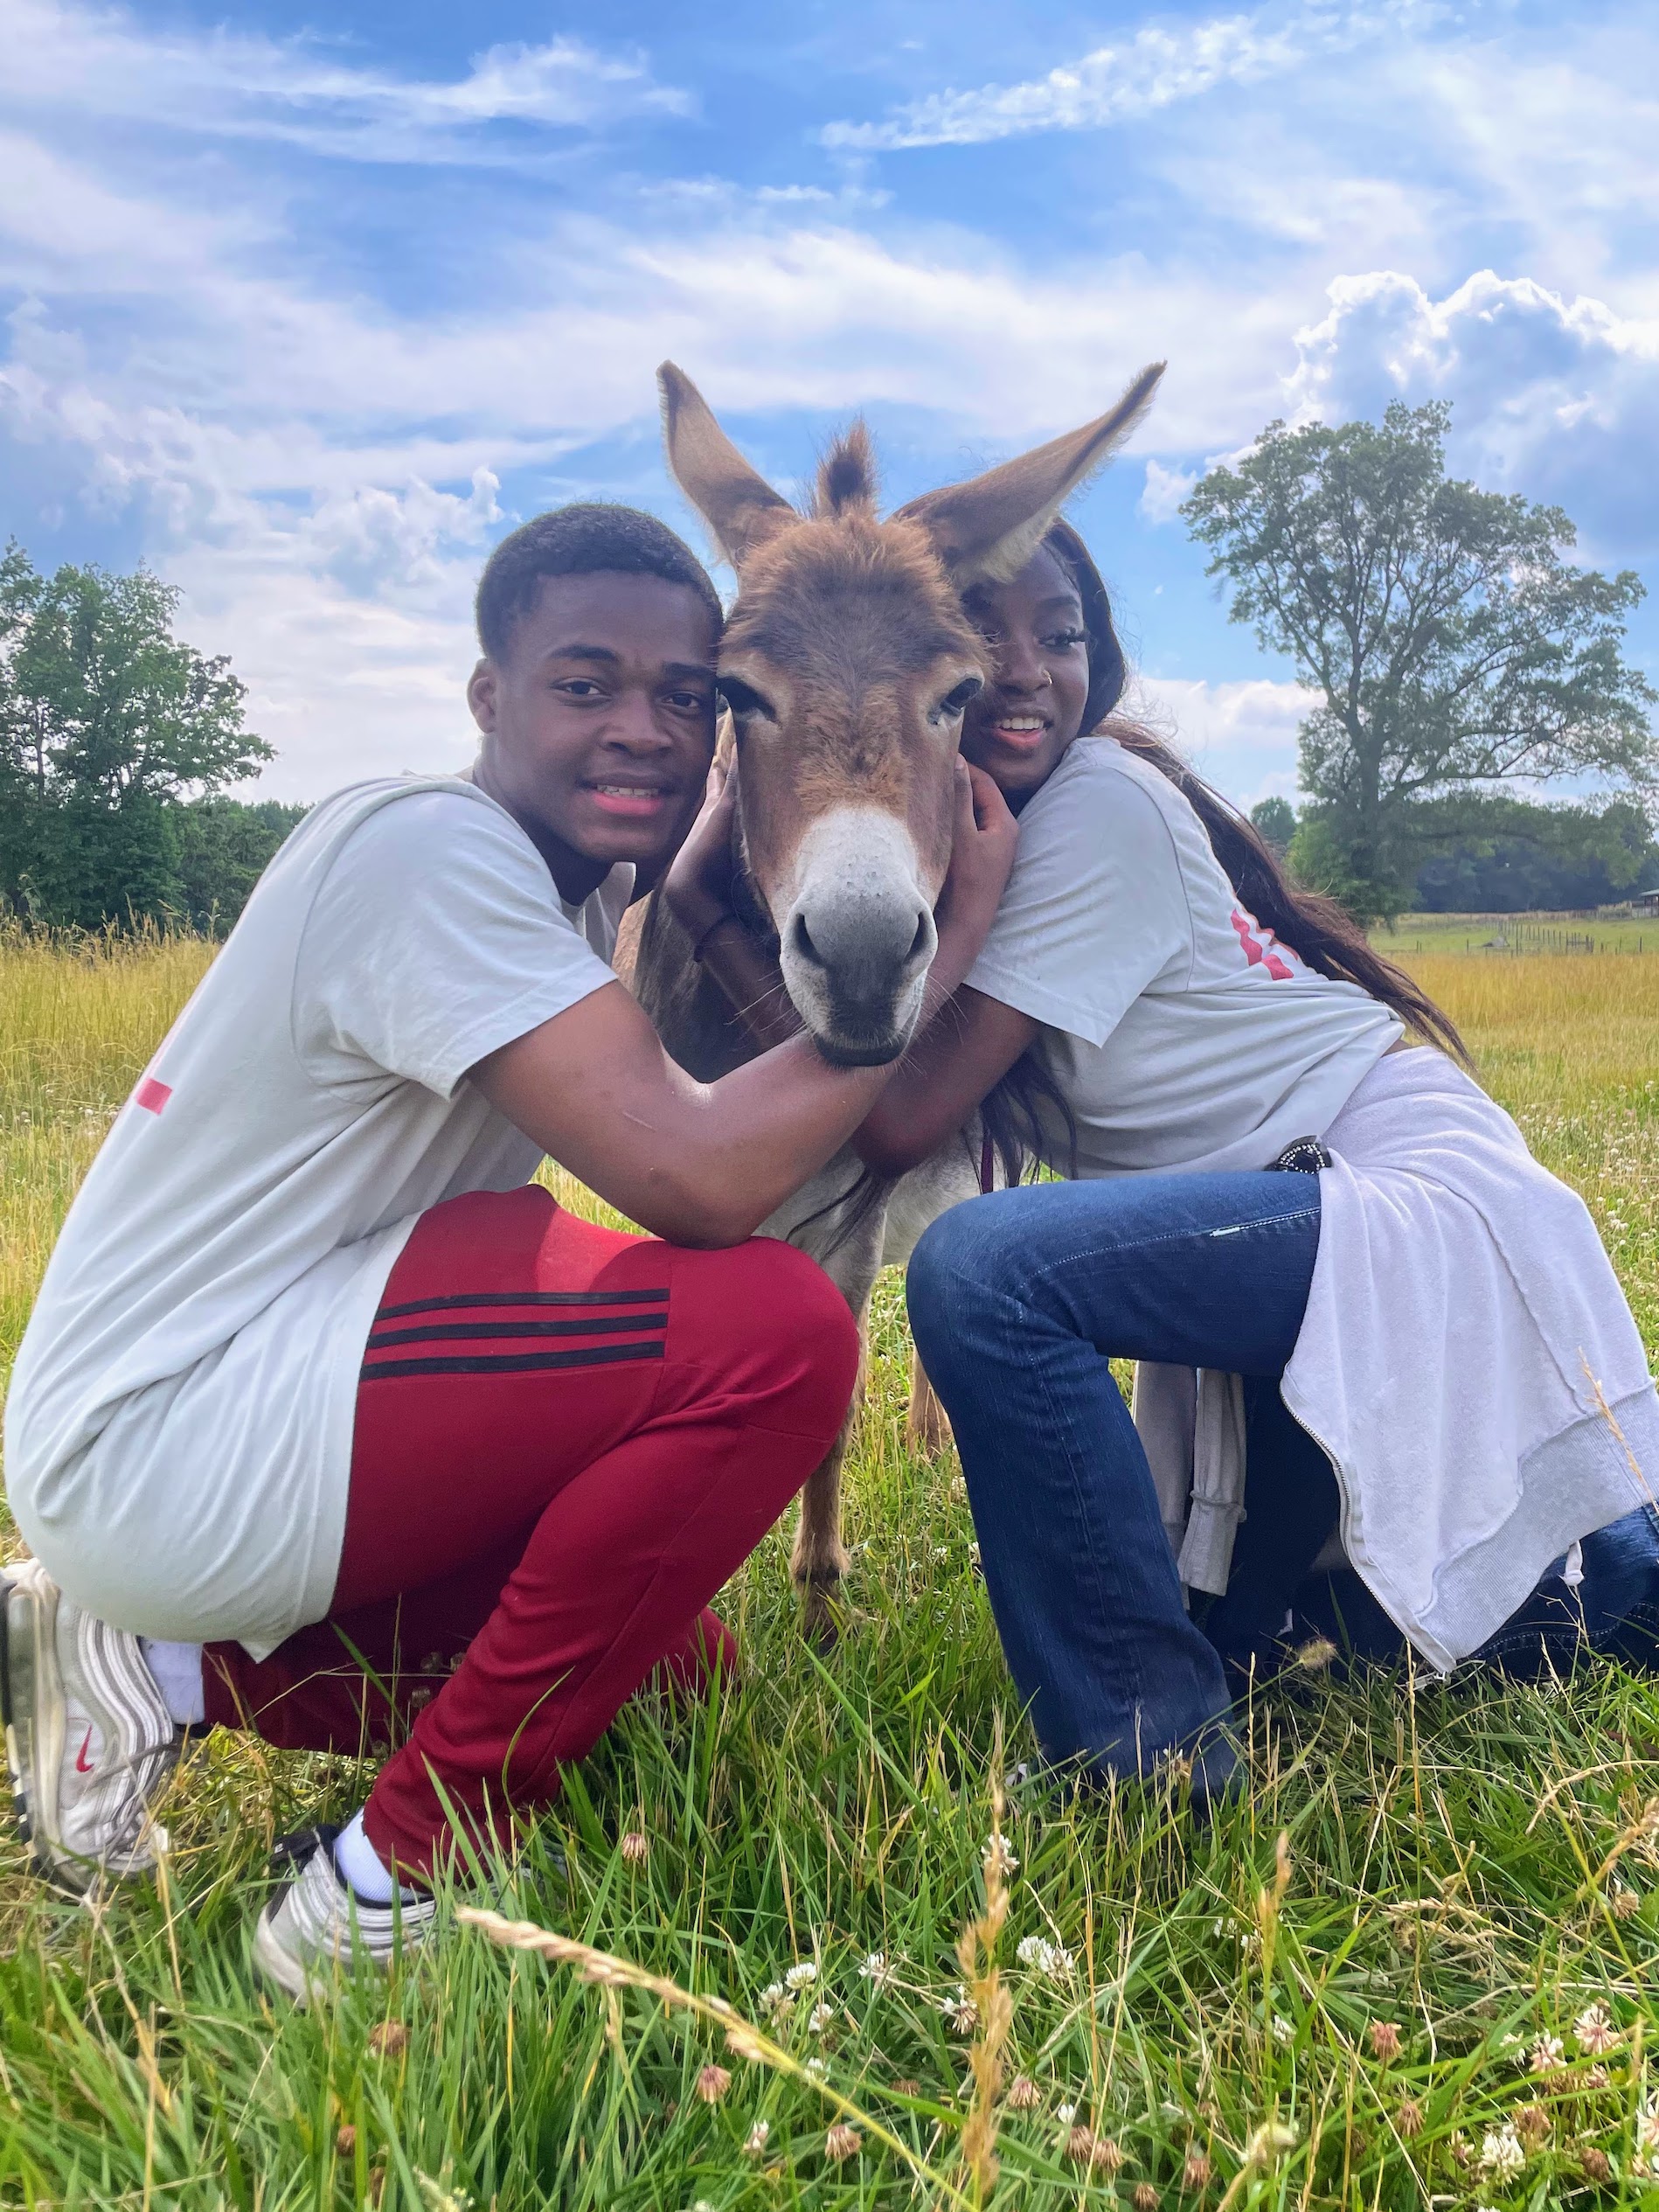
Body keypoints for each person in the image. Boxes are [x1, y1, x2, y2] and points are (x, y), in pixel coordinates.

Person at [0, 503, 1015, 1994]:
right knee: (777, 1334)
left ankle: (150, 1666)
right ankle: (390, 1876)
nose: (644, 731)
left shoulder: (566, 882)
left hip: (219, 1419)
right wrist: (953, 934)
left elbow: (678, 905)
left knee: (665, 1679)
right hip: (180, 1430)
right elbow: (699, 1177)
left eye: (688, 697)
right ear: (487, 697)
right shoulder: (433, 854)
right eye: (584, 682)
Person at [845, 520, 1659, 1797]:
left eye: (1058, 634)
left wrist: (978, 887)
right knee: (1385, 1634)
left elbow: (896, 1115)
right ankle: (1605, 1563)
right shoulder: (987, 836)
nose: (1023, 667)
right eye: (975, 632)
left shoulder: (1092, 806)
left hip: (1391, 1184)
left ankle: (1145, 1763)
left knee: (986, 1272)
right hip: (1291, 1206)